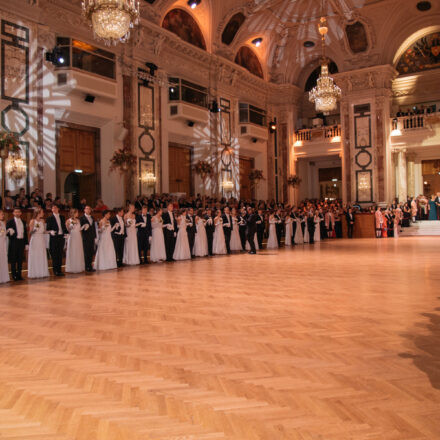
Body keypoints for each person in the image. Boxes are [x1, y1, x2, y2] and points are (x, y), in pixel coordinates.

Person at [27, 207, 49, 279]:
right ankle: (35, 272)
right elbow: (30, 232)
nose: (43, 213)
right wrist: (34, 230)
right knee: (35, 255)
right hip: (35, 238)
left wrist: (50, 232)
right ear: (38, 213)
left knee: (41, 254)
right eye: (42, 212)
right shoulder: (32, 221)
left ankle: (42, 272)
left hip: (41, 239)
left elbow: (44, 231)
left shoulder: (42, 221)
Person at [6, 208, 28, 281]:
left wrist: (26, 243)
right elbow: (7, 233)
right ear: (13, 213)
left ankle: (19, 275)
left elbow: (25, 234)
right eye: (16, 212)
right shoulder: (10, 222)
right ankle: (14, 275)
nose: (17, 213)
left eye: (18, 212)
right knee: (13, 259)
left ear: (21, 213)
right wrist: (10, 233)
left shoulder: (23, 222)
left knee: (20, 259)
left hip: (21, 242)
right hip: (14, 242)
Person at [46, 204, 68, 276]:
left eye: (55, 208)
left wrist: (66, 233)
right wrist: (51, 231)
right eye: (52, 208)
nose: (54, 209)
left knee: (60, 254)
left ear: (58, 209)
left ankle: (59, 270)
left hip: (61, 237)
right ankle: (55, 271)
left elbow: (63, 227)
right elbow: (48, 229)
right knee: (55, 254)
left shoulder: (62, 217)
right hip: (54, 237)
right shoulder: (50, 218)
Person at [65, 208, 85, 274]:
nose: (78, 214)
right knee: (73, 251)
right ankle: (72, 267)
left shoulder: (78, 220)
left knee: (78, 251)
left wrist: (83, 229)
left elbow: (79, 230)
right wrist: (71, 227)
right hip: (72, 236)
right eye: (77, 212)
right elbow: (67, 230)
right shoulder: (68, 221)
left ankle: (79, 266)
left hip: (78, 237)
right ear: (73, 213)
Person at [80, 205, 97, 272]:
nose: (88, 210)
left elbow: (93, 228)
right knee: (86, 252)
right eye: (86, 209)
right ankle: (87, 266)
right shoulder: (82, 218)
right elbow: (80, 228)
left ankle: (90, 265)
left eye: (89, 209)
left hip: (91, 236)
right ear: (84, 210)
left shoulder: (92, 217)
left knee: (91, 252)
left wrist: (95, 236)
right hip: (85, 237)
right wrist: (84, 228)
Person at [0, 210, 9, 283]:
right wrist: (2, 232)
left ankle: (3, 277)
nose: (3, 215)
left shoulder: (3, 222)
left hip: (3, 242)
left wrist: (7, 231)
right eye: (2, 214)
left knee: (3, 258)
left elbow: (3, 232)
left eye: (3, 214)